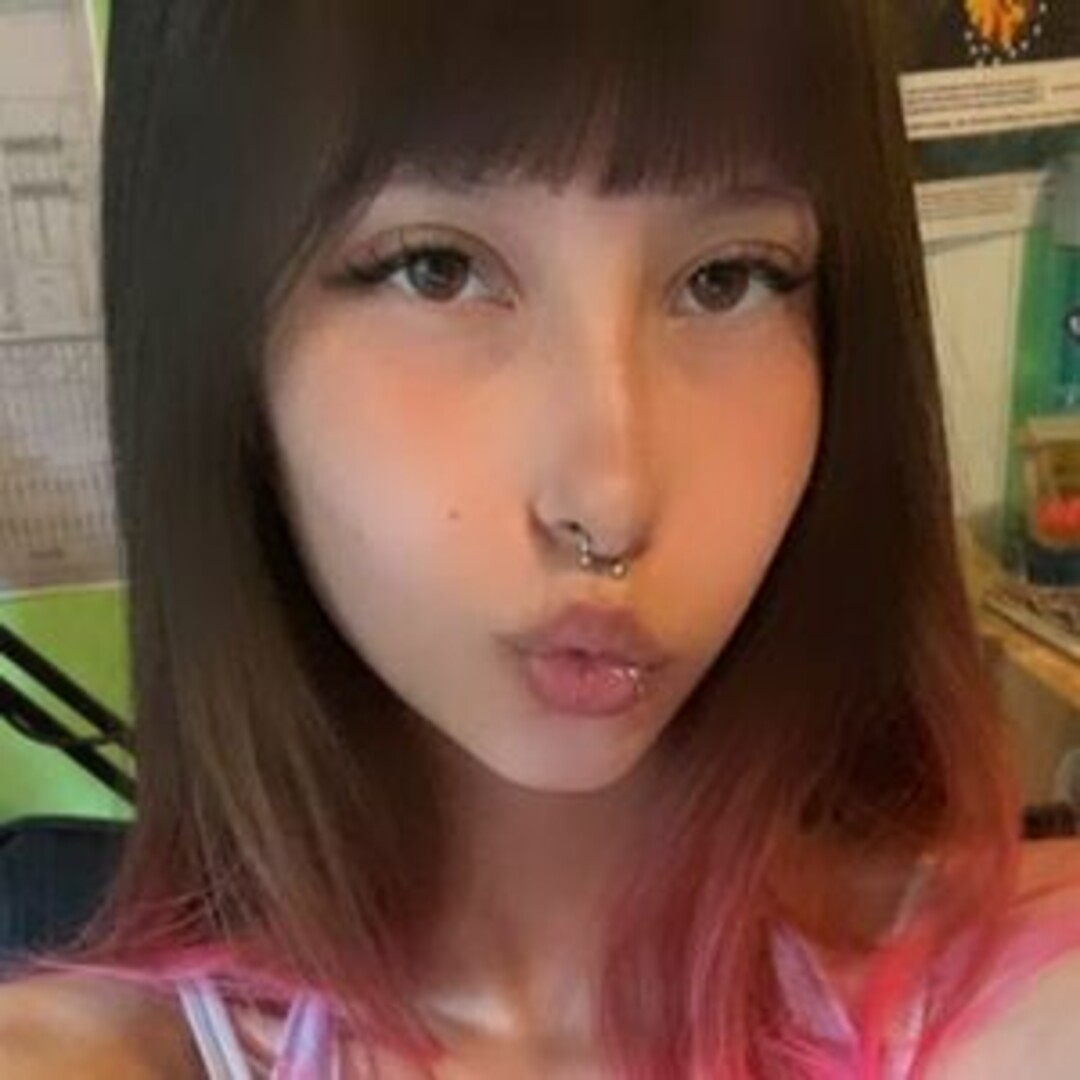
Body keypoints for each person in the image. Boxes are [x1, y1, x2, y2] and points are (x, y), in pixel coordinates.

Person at [2, 0, 1080, 1076]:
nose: (610, 502)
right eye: (436, 269)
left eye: (727, 278)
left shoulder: (1023, 1011)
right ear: (222, 336)